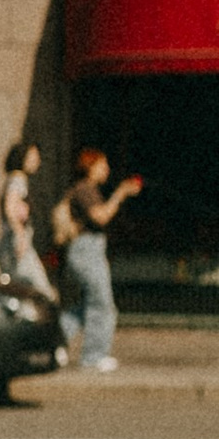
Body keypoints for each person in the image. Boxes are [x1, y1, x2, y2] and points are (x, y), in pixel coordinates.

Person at [56, 148, 141, 375]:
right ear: (90, 167)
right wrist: (120, 194)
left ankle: (54, 343)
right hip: (86, 250)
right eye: (102, 165)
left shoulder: (86, 190)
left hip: (87, 251)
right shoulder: (84, 190)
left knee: (86, 306)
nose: (107, 169)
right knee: (102, 305)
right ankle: (93, 356)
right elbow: (100, 216)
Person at [0, 140, 49, 299]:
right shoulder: (18, 179)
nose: (37, 161)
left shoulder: (14, 179)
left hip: (12, 241)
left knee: (18, 291)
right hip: (16, 243)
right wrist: (20, 234)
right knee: (41, 291)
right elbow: (9, 206)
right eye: (33, 157)